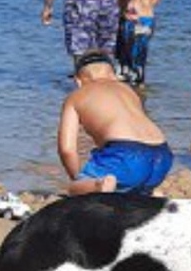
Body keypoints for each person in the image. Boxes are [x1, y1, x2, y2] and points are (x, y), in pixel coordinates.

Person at [57, 51, 173, 194]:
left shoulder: (76, 96)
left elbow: (67, 150)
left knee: (74, 188)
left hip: (125, 153)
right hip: (162, 154)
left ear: (78, 81)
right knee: (132, 185)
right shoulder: (129, 91)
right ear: (114, 75)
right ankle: (149, 191)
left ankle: (100, 186)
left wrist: (79, 179)